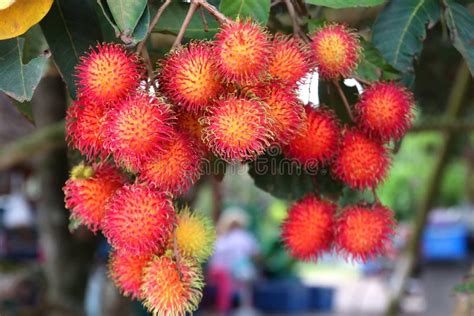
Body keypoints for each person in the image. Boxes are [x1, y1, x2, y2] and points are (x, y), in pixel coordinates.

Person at [208, 207, 260, 315]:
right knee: (244, 279)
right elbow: (256, 254)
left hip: (224, 272)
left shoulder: (221, 238)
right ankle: (243, 308)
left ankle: (233, 309)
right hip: (229, 272)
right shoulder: (244, 237)